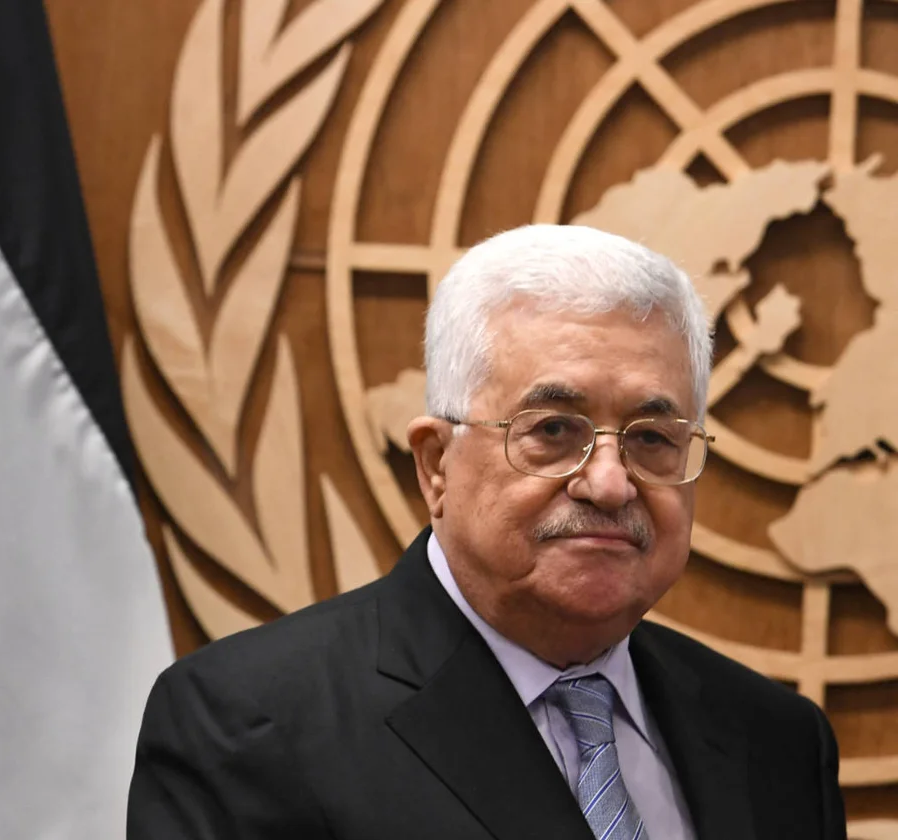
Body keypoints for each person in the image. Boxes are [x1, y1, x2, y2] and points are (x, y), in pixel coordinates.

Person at [126, 224, 845, 839]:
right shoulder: (251, 723)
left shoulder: (776, 740)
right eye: (554, 431)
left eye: (652, 437)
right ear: (436, 465)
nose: (610, 482)